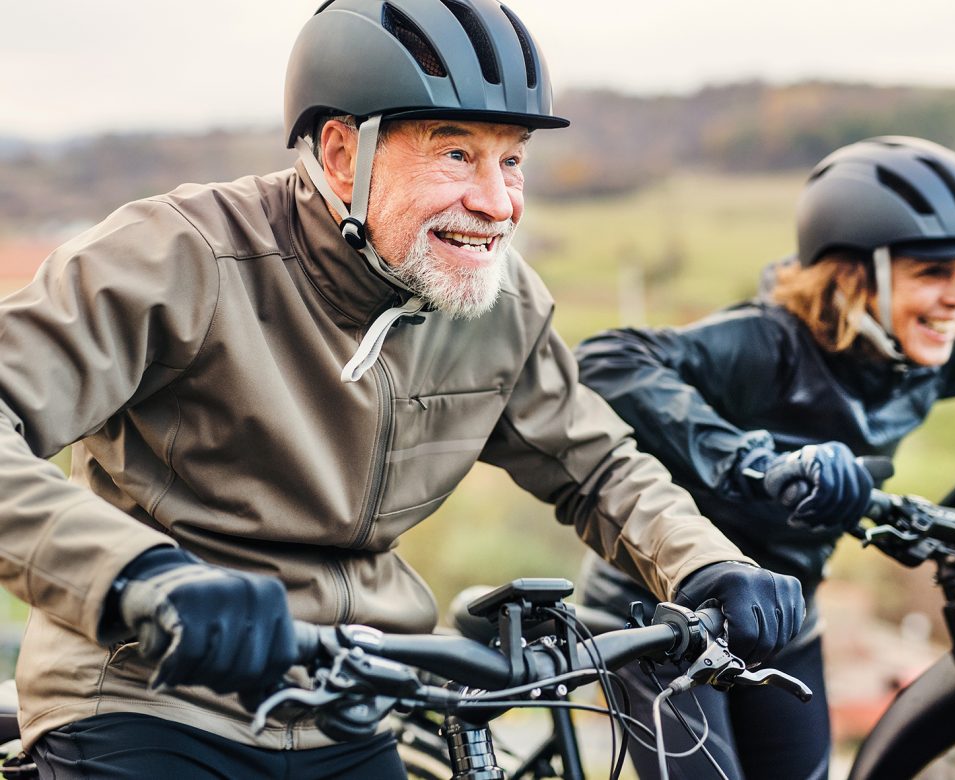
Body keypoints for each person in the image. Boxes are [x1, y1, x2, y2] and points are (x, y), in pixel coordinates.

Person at [0, 1, 806, 777]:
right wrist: (140, 577)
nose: (498, 203)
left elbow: (597, 467)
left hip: (351, 701)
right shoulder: (180, 257)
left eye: (513, 159)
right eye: (457, 155)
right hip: (153, 695)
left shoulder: (498, 301)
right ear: (344, 155)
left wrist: (705, 567)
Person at [574, 135, 955, 779]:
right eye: (934, 272)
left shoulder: (925, 349)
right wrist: (760, 462)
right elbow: (608, 361)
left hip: (785, 610)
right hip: (670, 612)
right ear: (856, 275)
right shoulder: (770, 344)